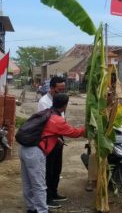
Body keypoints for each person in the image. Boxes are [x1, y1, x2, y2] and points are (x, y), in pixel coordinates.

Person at [21, 94, 85, 213]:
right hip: (35, 151)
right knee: (39, 184)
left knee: (28, 182)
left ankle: (32, 208)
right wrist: (85, 129)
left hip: (25, 148)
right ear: (65, 105)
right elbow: (73, 132)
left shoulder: (47, 112)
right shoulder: (57, 119)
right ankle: (42, 210)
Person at [37, 76, 66, 209]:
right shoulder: (44, 102)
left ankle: (54, 193)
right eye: (59, 90)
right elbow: (44, 124)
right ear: (52, 88)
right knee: (48, 170)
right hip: (49, 140)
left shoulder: (59, 100)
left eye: (63, 89)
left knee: (57, 168)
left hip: (59, 139)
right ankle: (47, 198)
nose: (61, 92)